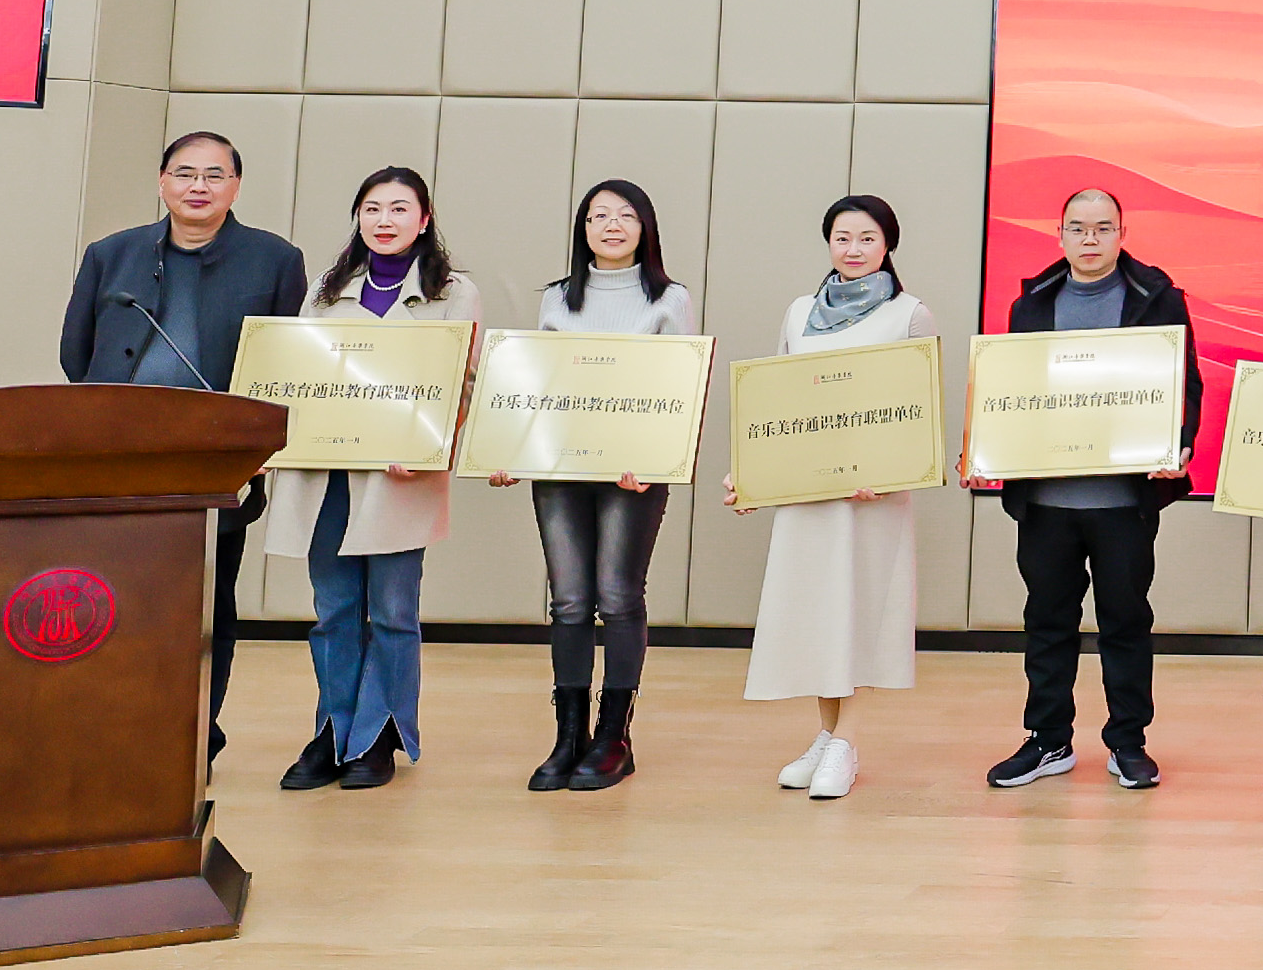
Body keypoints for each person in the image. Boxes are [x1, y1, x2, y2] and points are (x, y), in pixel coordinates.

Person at [60, 129, 310, 751]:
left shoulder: (274, 259)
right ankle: (117, 723)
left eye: (214, 175)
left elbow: (288, 362)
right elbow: (76, 352)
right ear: (162, 181)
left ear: (236, 187)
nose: (199, 186)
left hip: (215, 461)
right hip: (120, 456)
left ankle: (195, 733)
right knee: (117, 593)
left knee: (205, 601)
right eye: (185, 173)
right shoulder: (110, 254)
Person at [975, 187, 1200, 794]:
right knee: (1047, 623)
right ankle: (1048, 739)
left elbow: (1185, 383)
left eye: (1103, 228)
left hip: (1123, 501)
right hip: (1047, 501)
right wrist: (987, 450)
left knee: (1126, 623)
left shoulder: (1157, 299)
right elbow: (1009, 392)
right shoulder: (1033, 303)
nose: (1090, 239)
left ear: (1122, 233)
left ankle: (1128, 742)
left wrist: (1179, 444)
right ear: (1060, 235)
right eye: (1078, 228)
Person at [271, 168, 478, 793]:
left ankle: (378, 733)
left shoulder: (453, 292)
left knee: (391, 610)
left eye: (399, 208)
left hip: (399, 475)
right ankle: (333, 730)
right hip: (327, 471)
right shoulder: (326, 288)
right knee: (333, 609)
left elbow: (462, 382)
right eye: (371, 208)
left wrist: (428, 443)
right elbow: (298, 370)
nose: (384, 221)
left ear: (425, 218)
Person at [487, 178, 695, 795]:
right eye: (599, 216)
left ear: (645, 228)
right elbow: (543, 387)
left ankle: (613, 737)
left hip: (633, 473)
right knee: (570, 601)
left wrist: (653, 459)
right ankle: (568, 736)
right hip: (562, 470)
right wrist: (512, 450)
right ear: (583, 230)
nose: (611, 225)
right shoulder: (558, 298)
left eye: (625, 215)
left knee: (619, 597)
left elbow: (678, 387)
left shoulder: (669, 298)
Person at [731, 195, 931, 802]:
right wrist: (753, 474)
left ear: (888, 244)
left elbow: (918, 411)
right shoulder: (799, 312)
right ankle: (827, 734)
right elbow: (776, 400)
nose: (854, 249)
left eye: (867, 238)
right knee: (819, 611)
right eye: (842, 237)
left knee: (860, 609)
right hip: (809, 492)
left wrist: (888, 471)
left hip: (871, 497)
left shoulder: (910, 314)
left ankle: (847, 741)